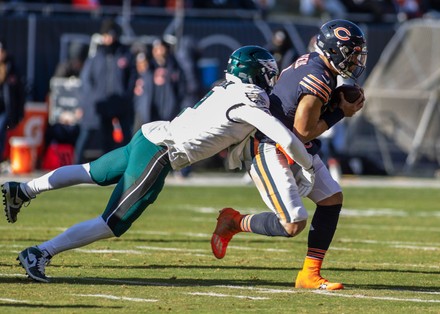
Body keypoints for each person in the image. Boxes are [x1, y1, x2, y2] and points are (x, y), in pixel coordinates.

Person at [2, 46, 315, 283]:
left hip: (150, 134)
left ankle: (24, 190)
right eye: (267, 72)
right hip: (162, 152)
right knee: (113, 223)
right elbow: (286, 140)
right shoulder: (248, 104)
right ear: (256, 75)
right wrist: (309, 167)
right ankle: (40, 252)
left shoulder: (226, 88)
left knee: (91, 172)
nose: (271, 78)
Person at [211, 19, 367, 290]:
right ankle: (234, 221)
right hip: (270, 145)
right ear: (333, 51)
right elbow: (303, 132)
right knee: (292, 223)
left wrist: (337, 99)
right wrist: (341, 111)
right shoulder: (317, 78)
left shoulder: (317, 65)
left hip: (290, 144)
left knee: (331, 199)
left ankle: (309, 274)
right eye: (350, 54)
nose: (355, 60)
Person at [75, 18, 136, 163]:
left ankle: (130, 166)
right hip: (102, 104)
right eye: (107, 35)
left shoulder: (124, 55)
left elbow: (132, 78)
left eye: (112, 34)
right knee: (102, 138)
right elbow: (86, 80)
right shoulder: (96, 57)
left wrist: (126, 96)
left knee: (126, 137)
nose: (109, 38)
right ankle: (95, 167)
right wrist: (92, 100)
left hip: (120, 103)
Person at [0, 39, 26, 162]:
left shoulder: (11, 67)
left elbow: (19, 92)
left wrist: (19, 112)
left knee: (1, 130)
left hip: (5, 108)